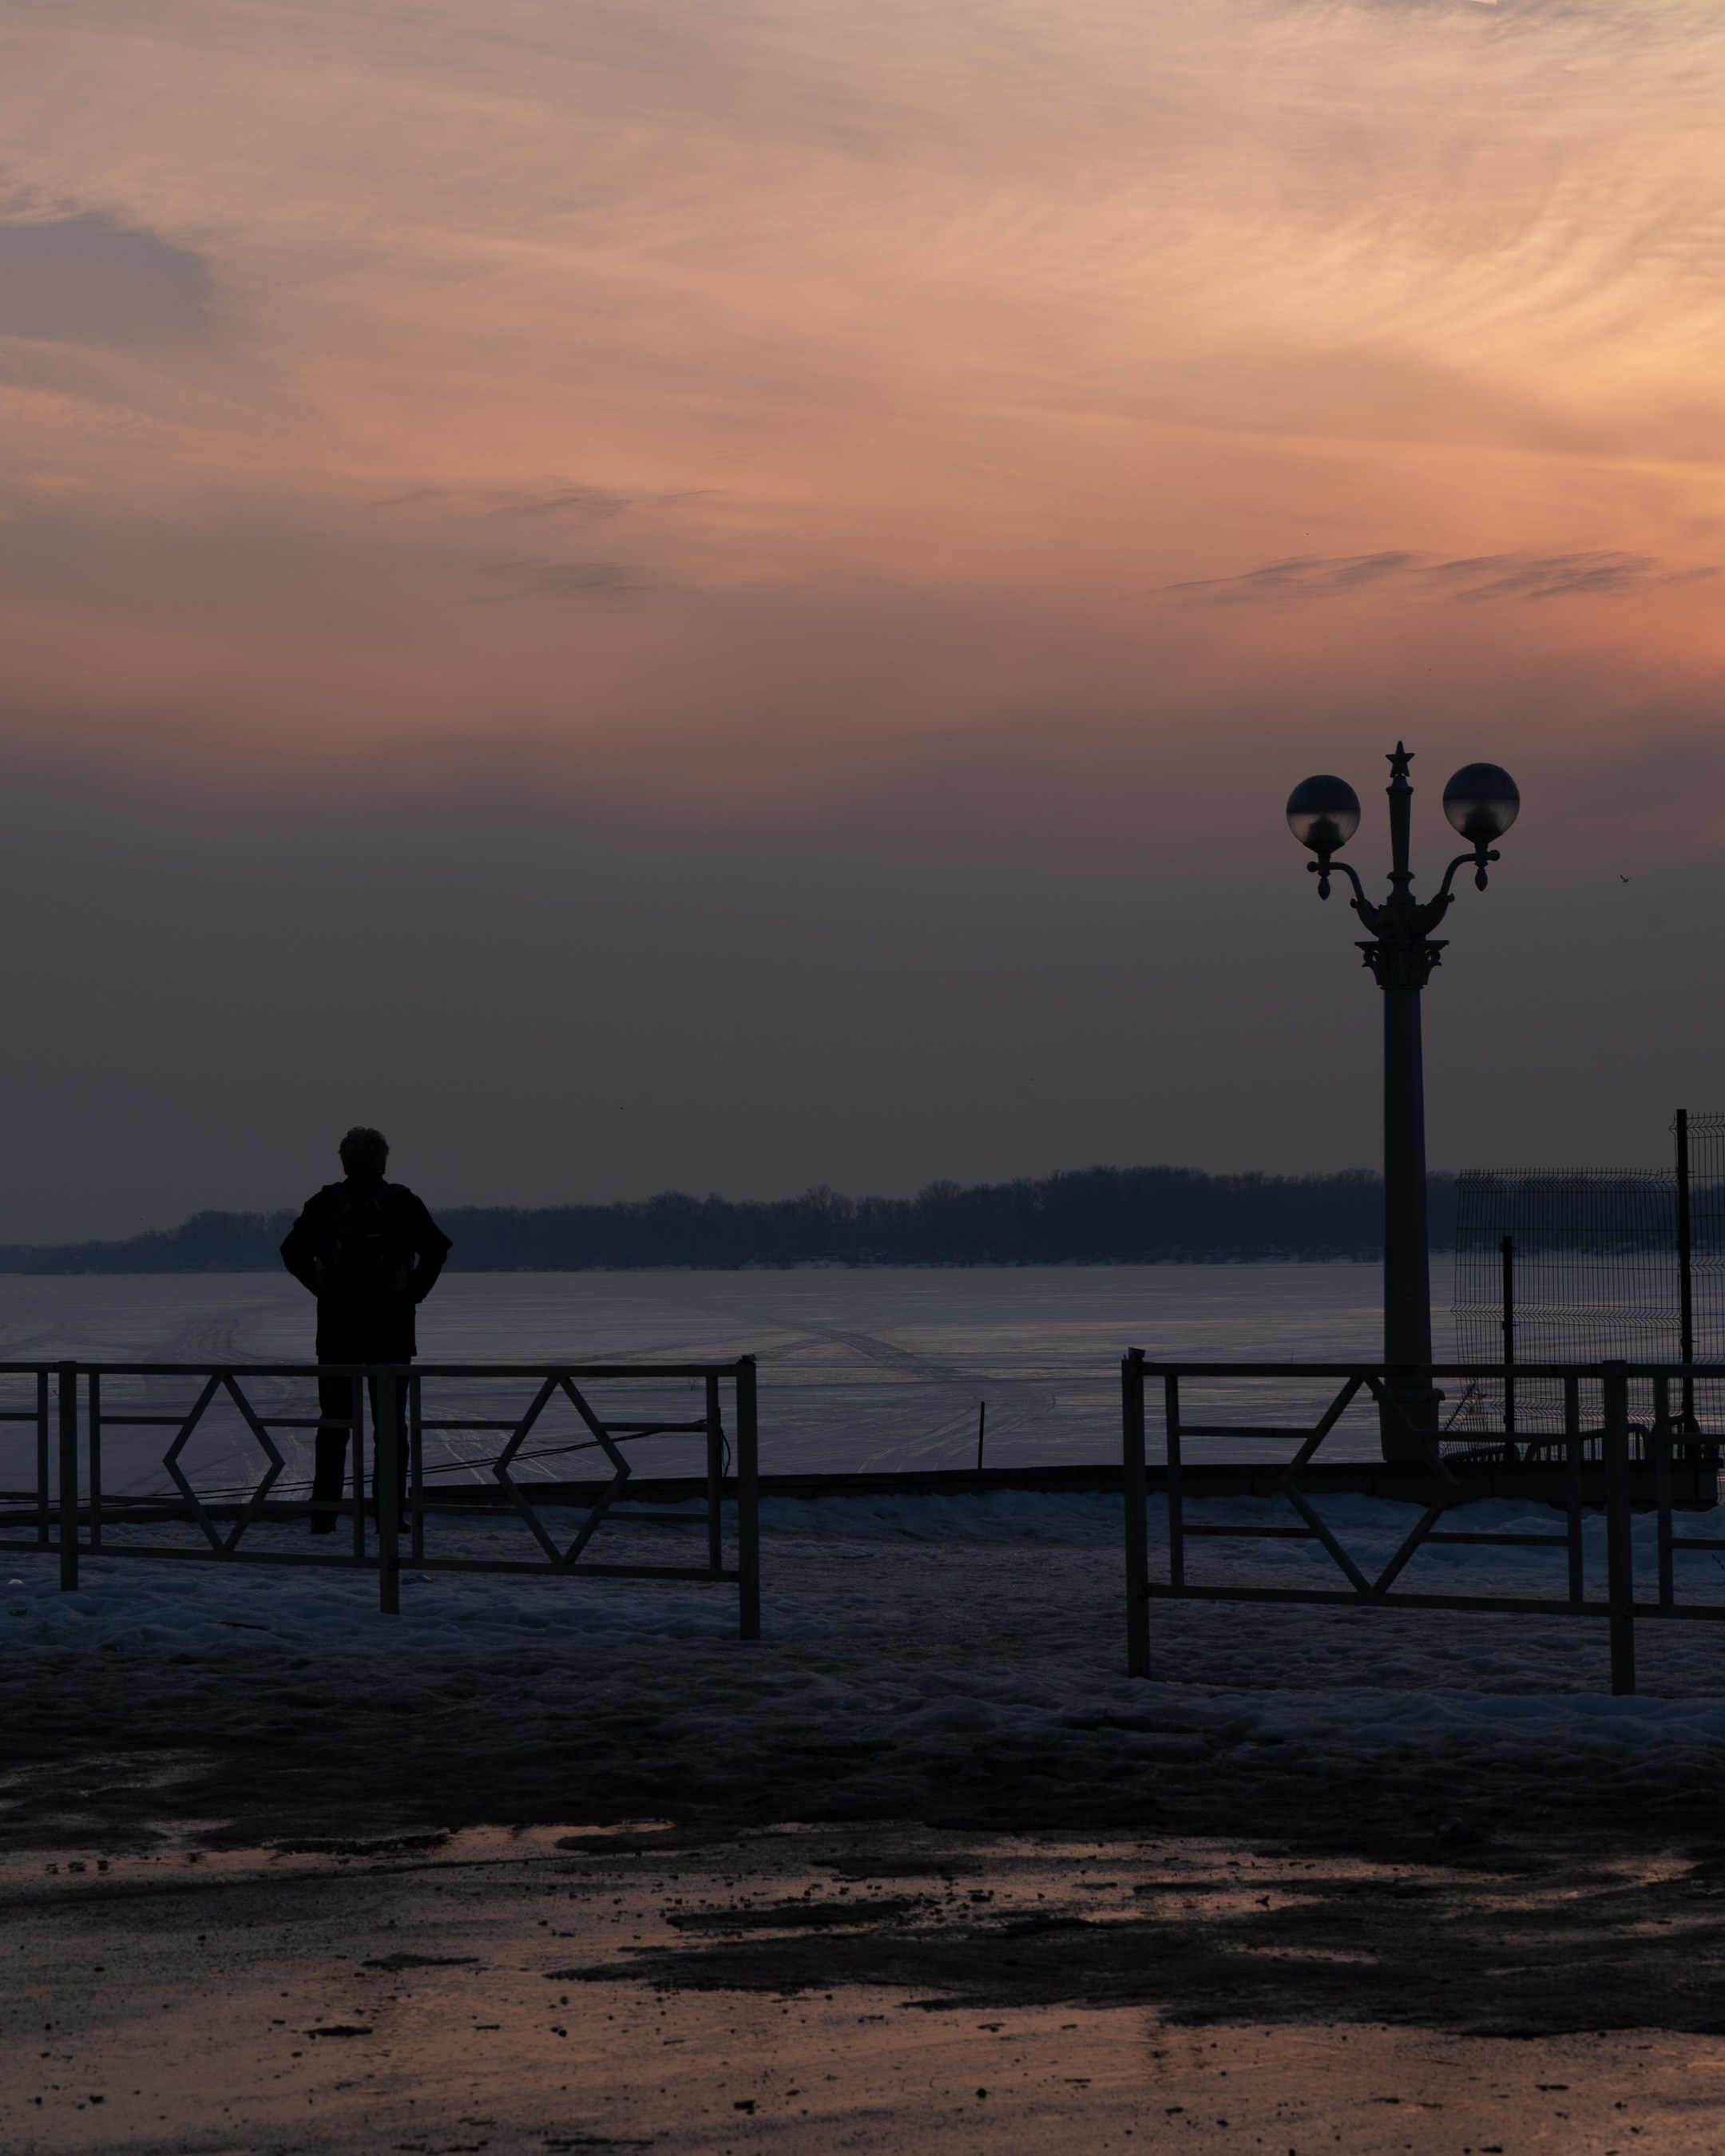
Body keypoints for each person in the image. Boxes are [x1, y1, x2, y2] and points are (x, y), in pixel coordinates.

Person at [280, 1127, 453, 1534]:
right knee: (390, 1428)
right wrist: (411, 1295)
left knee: (335, 1423)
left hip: (337, 1331)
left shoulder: (325, 1203)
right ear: (383, 1161)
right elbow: (436, 1249)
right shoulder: (402, 1203)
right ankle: (389, 1516)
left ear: (343, 1161)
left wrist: (322, 1288)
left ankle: (323, 1516)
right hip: (391, 1332)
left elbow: (291, 1252)